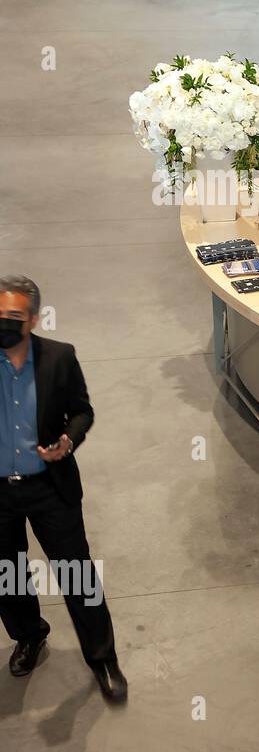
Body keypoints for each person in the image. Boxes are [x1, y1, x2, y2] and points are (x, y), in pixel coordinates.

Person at [0, 275, 126, 702]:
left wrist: (68, 441)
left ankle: (102, 658)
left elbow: (82, 411)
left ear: (33, 318)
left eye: (13, 316)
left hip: (49, 487)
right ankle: (30, 636)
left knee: (77, 573)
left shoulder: (59, 357)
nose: (4, 322)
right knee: (8, 573)